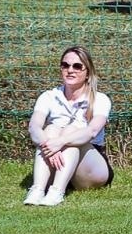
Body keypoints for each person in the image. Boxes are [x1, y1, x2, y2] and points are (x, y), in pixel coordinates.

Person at [24, 45, 112, 206]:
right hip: (57, 159)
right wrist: (49, 145)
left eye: (77, 66)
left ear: (88, 73)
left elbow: (91, 131)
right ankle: (37, 189)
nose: (70, 70)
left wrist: (61, 142)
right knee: (50, 129)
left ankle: (57, 191)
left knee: (71, 130)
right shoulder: (48, 96)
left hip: (90, 169)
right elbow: (34, 127)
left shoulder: (100, 99)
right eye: (65, 65)